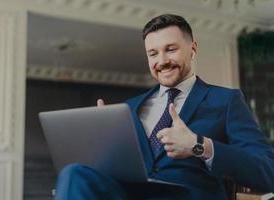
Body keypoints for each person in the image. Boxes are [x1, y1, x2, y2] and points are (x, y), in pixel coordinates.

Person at [54, 14, 274, 200]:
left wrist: (199, 146)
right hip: (129, 194)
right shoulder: (127, 108)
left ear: (193, 49)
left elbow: (268, 172)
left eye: (170, 49)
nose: (162, 61)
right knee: (74, 174)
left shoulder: (226, 101)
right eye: (153, 53)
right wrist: (100, 150)